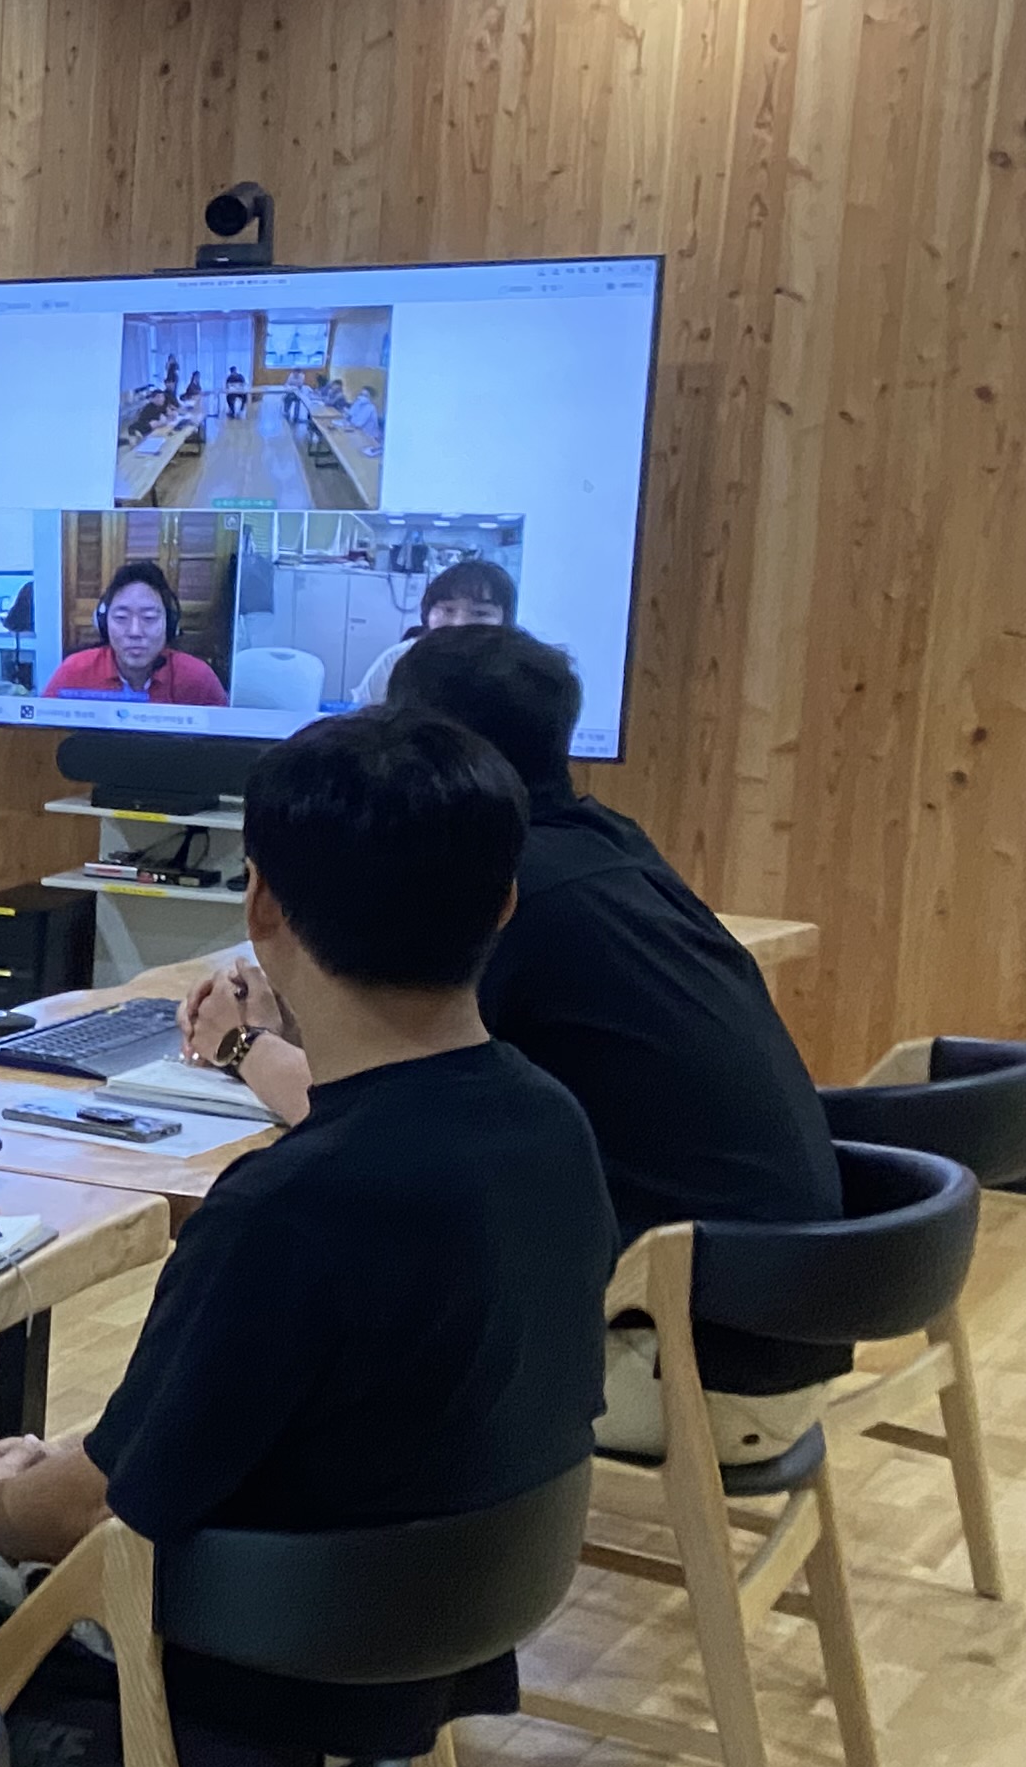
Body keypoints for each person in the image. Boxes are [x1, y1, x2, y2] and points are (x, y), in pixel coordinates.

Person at [0, 710, 610, 1767]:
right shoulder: (552, 1123)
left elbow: (97, 1510)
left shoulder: (291, 1207)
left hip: (211, 1733)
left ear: (262, 904)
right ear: (505, 902)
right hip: (404, 1685)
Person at [188, 625, 844, 1460]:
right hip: (789, 1317)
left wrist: (244, 1047)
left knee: (307, 1341)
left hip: (684, 1359)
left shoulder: (505, 890)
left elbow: (385, 1117)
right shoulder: (604, 844)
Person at [41, 558, 229, 705]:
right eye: (121, 618)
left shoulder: (198, 679)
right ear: (103, 623)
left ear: (170, 623)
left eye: (149, 618)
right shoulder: (74, 672)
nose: (135, 632)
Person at [353, 554, 517, 704]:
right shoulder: (397, 659)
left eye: (480, 613)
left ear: (504, 620)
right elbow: (362, 717)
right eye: (448, 610)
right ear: (427, 613)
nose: (459, 623)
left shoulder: (518, 670)